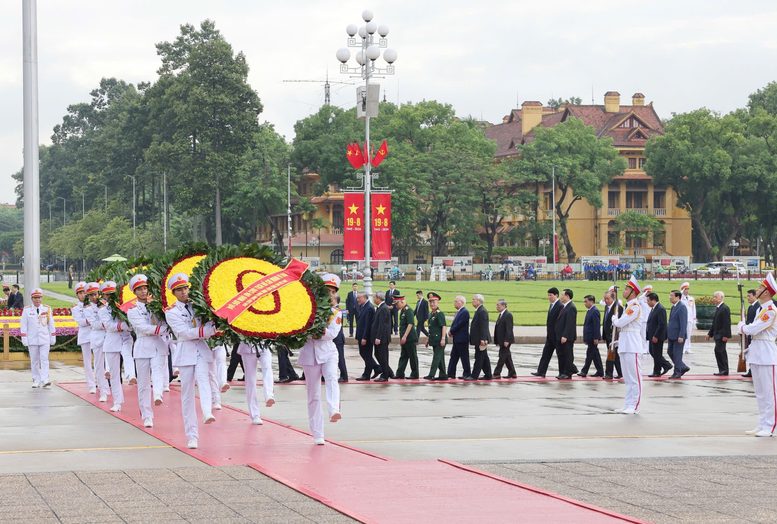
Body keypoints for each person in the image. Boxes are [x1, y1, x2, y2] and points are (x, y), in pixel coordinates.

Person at [164, 273, 218, 450]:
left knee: (204, 379)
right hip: (186, 351)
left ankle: (207, 412)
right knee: (186, 394)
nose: (184, 292)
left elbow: (211, 322)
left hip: (201, 349)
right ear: (174, 293)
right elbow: (184, 332)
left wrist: (213, 327)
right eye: (179, 290)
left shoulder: (199, 305)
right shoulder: (171, 312)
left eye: (185, 288)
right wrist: (207, 331)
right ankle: (192, 435)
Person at [297, 273, 342, 445]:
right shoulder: (307, 308)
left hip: (328, 352)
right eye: (326, 290)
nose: (329, 293)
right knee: (313, 395)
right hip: (310, 354)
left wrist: (314, 331)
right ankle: (318, 433)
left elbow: (331, 333)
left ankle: (333, 409)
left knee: (331, 378)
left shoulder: (336, 312)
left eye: (332, 291)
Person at [126, 274, 170, 428]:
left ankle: (158, 394)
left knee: (158, 370)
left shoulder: (157, 306)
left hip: (158, 344)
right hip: (143, 345)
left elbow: (165, 320)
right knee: (143, 383)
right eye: (140, 289)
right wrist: (161, 329)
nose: (143, 292)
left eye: (145, 288)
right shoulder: (133, 310)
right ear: (135, 292)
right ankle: (147, 415)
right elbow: (142, 327)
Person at [737, 273, 777, 437]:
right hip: (757, 351)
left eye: (761, 287)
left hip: (767, 352)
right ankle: (762, 423)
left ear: (766, 292)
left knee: (770, 393)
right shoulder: (761, 309)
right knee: (760, 393)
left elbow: (752, 329)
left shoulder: (770, 310)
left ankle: (771, 426)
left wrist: (742, 327)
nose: (758, 289)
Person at [612, 276, 645, 414]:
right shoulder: (629, 307)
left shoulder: (635, 307)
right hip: (625, 344)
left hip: (633, 346)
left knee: (635, 378)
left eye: (626, 289)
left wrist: (614, 318)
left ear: (633, 292)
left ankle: (634, 405)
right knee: (627, 378)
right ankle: (627, 404)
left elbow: (620, 323)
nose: (624, 291)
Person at [98, 281, 132, 413]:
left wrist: (127, 326)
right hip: (112, 339)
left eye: (112, 293)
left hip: (125, 337)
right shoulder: (103, 310)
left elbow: (131, 322)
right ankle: (117, 402)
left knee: (128, 356)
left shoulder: (125, 306)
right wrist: (123, 325)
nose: (110, 296)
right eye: (107, 294)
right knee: (114, 374)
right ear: (104, 296)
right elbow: (108, 325)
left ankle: (130, 375)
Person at [20, 288, 55, 388]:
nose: (37, 300)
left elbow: (51, 324)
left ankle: (45, 379)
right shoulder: (27, 310)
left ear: (41, 298)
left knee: (45, 359)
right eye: (35, 298)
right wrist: (24, 338)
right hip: (33, 339)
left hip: (44, 338)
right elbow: (24, 325)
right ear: (32, 298)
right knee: (34, 360)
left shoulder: (47, 309)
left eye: (39, 297)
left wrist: (52, 336)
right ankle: (36, 379)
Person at [237, 340, 275, 425]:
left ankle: (269, 395)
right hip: (248, 346)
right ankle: (255, 414)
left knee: (267, 368)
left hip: (265, 343)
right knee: (250, 379)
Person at [84, 282, 110, 401]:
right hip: (97, 336)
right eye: (91, 295)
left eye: (95, 294)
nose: (94, 297)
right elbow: (94, 323)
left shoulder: (106, 305)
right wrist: (108, 325)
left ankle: (112, 389)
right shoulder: (88, 309)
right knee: (99, 366)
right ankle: (103, 391)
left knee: (111, 364)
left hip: (109, 335)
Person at [71, 281, 96, 393]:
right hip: (85, 335)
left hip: (96, 335)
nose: (83, 295)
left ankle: (100, 382)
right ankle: (91, 384)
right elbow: (80, 322)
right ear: (77, 295)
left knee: (99, 361)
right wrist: (92, 320)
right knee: (87, 361)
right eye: (80, 293)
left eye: (84, 292)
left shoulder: (94, 305)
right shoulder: (76, 308)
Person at [532, 288, 563, 378]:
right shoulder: (552, 305)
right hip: (550, 335)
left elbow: (559, 321)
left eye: (551, 295)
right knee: (546, 353)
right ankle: (541, 371)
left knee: (560, 355)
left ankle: (566, 371)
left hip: (556, 335)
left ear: (556, 295)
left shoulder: (560, 306)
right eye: (548, 295)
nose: (549, 297)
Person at [355, 291, 381, 380]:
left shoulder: (369, 308)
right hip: (361, 335)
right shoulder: (363, 306)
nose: (357, 300)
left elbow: (368, 325)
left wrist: (364, 337)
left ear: (365, 298)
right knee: (364, 354)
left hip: (366, 336)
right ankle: (376, 368)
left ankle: (367, 374)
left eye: (359, 298)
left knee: (366, 355)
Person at [465, 294, 492, 380]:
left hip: (482, 339)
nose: (472, 301)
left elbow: (484, 326)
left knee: (479, 358)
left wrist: (483, 339)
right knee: (484, 358)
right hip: (479, 339)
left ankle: (474, 375)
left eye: (474, 299)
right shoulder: (479, 310)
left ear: (479, 301)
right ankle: (488, 375)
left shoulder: (482, 311)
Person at [645, 292, 672, 377]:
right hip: (652, 335)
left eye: (648, 300)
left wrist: (656, 335)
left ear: (653, 300)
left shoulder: (660, 309)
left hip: (657, 336)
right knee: (653, 352)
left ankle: (657, 371)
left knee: (656, 353)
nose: (647, 302)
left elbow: (661, 324)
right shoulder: (654, 308)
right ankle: (666, 365)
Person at [706, 291, 732, 376]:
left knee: (719, 351)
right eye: (714, 297)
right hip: (717, 334)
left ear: (721, 297)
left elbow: (726, 323)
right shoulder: (718, 308)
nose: (714, 298)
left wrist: (726, 335)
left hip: (722, 334)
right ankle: (723, 369)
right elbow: (715, 323)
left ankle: (723, 369)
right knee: (720, 351)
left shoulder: (724, 308)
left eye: (716, 297)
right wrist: (710, 334)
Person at [395, 294, 419, 380]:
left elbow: (410, 324)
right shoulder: (403, 310)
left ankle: (415, 373)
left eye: (397, 304)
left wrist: (405, 336)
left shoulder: (408, 310)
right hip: (404, 337)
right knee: (403, 355)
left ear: (401, 301)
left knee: (412, 356)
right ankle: (400, 373)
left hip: (410, 337)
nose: (396, 306)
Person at [424, 292, 448, 380]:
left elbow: (444, 327)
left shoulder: (439, 314)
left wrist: (443, 339)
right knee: (440, 358)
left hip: (440, 339)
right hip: (434, 339)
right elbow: (431, 329)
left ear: (438, 303)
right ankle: (443, 375)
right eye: (430, 302)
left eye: (434, 302)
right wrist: (428, 339)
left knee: (436, 358)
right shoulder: (431, 314)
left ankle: (431, 374)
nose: (432, 304)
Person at [371, 290, 394, 381]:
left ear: (379, 298)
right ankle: (389, 372)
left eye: (374, 297)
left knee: (383, 356)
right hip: (379, 338)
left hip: (382, 338)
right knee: (378, 354)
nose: (373, 299)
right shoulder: (381, 307)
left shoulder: (384, 308)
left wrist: (378, 337)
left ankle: (385, 375)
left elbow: (383, 325)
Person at [578, 295, 603, 378]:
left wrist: (596, 337)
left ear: (592, 302)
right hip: (589, 337)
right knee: (595, 355)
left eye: (586, 302)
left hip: (593, 337)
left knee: (589, 354)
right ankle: (600, 371)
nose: (585, 303)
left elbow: (596, 326)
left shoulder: (595, 311)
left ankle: (584, 371)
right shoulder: (590, 311)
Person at [555, 289, 578, 379]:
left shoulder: (571, 307)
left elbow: (570, 324)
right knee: (561, 354)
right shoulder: (564, 306)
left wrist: (565, 335)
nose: (561, 297)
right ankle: (562, 372)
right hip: (561, 335)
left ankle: (568, 373)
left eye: (562, 295)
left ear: (567, 296)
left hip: (567, 337)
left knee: (568, 355)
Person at [666, 290, 689, 379]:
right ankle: (682, 367)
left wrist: (681, 335)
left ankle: (677, 372)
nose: (670, 297)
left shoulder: (682, 307)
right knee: (670, 352)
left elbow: (683, 322)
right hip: (672, 334)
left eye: (672, 296)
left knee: (677, 354)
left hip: (678, 336)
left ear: (677, 297)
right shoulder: (674, 307)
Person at [447, 295, 471, 379]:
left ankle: (467, 373)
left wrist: (451, 331)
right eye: (454, 301)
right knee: (453, 356)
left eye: (456, 301)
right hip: (457, 338)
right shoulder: (458, 312)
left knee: (464, 357)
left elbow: (459, 324)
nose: (455, 303)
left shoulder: (465, 312)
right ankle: (450, 373)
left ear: (462, 302)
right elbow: (455, 324)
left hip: (462, 338)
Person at [602, 289, 623, 380]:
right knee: (614, 355)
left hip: (614, 335)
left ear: (613, 298)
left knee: (612, 355)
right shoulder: (606, 307)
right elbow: (605, 321)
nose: (606, 301)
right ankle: (620, 372)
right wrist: (603, 335)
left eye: (608, 299)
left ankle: (609, 373)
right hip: (607, 335)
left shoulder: (618, 308)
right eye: (605, 299)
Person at [492, 299, 516, 379]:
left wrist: (507, 340)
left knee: (502, 356)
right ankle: (512, 372)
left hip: (506, 340)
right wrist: (496, 340)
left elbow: (509, 329)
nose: (496, 307)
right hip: (501, 340)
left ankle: (496, 373)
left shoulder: (508, 315)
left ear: (503, 306)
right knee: (507, 357)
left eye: (498, 305)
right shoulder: (501, 314)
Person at [742, 289, 759, 378]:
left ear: (755, 296)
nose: (748, 298)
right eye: (747, 296)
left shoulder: (758, 307)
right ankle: (751, 370)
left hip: (753, 334)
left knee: (753, 353)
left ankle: (753, 370)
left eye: (750, 296)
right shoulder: (751, 307)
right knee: (750, 352)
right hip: (749, 333)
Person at [334, 293, 348, 382]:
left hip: (337, 338)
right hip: (335, 338)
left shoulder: (337, 311)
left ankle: (344, 376)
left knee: (340, 358)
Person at [681, 282, 696, 354]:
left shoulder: (691, 298)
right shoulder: (680, 299)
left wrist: (694, 318)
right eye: (685, 289)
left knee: (688, 333)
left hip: (689, 318)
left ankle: (688, 347)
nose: (687, 291)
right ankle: (683, 347)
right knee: (683, 334)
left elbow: (693, 309)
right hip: (683, 319)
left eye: (688, 289)